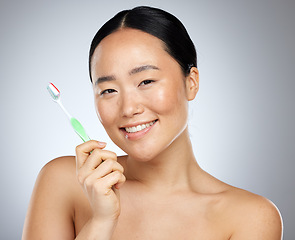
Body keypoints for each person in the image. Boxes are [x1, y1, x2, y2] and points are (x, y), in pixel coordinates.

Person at [22, 6, 283, 239]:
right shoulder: (64, 182)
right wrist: (101, 222)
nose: (128, 108)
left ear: (191, 82)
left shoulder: (250, 217)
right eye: (109, 90)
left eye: (146, 81)